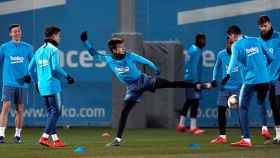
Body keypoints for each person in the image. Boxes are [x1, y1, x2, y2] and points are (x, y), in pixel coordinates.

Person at [80, 31, 207, 146]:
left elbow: (145, 61)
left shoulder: (129, 55)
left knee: (170, 83)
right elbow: (94, 53)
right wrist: (85, 41)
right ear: (113, 50)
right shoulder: (108, 58)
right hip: (132, 88)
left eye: (123, 45)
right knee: (125, 112)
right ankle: (117, 140)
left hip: (144, 80)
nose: (123, 48)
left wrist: (155, 67)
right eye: (120, 46)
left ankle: (195, 85)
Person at [223, 25, 274, 147]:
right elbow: (271, 58)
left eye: (229, 37)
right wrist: (261, 67)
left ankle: (246, 139)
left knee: (243, 107)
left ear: (233, 35)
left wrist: (228, 74)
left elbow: (233, 61)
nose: (230, 40)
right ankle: (264, 127)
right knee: (261, 102)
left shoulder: (236, 45)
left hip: (251, 80)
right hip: (265, 79)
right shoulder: (256, 40)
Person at [28, 26, 75, 148]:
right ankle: (44, 137)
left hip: (42, 85)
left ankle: (56, 140)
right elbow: (55, 67)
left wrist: (36, 82)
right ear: (53, 35)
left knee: (51, 112)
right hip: (52, 84)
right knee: (56, 111)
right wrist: (68, 76)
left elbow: (30, 69)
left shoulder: (38, 51)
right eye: (59, 35)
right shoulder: (54, 50)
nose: (60, 38)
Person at [0, 24, 33, 144]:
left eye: (19, 31)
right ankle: (1, 135)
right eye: (14, 32)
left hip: (22, 84)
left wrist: (29, 75)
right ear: (10, 34)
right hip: (8, 82)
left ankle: (17, 136)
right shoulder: (4, 47)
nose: (17, 33)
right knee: (6, 107)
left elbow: (32, 64)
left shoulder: (28, 47)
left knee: (20, 109)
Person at [210, 37, 242, 144]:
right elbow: (216, 67)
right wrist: (214, 79)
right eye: (230, 43)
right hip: (225, 88)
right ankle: (222, 136)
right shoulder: (221, 54)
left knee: (241, 113)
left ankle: (244, 137)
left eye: (234, 43)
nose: (232, 45)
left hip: (238, 88)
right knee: (221, 111)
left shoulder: (240, 54)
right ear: (227, 43)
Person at [176, 33, 206, 134]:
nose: (204, 42)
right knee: (195, 102)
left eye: (204, 40)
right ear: (197, 40)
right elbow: (194, 67)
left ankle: (181, 125)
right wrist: (196, 82)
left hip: (188, 78)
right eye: (202, 40)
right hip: (193, 80)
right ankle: (193, 127)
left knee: (189, 101)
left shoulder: (190, 49)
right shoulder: (196, 50)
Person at [258, 15, 280, 144]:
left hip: (279, 77)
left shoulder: (278, 37)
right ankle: (278, 136)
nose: (263, 28)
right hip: (267, 79)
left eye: (265, 25)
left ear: (270, 24)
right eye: (261, 26)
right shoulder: (259, 41)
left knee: (278, 103)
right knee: (274, 106)